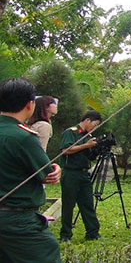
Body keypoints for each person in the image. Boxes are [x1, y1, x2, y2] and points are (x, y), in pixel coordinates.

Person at [0, 78, 62, 263]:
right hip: (17, 220)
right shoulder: (23, 136)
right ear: (30, 104)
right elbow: (46, 175)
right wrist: (56, 168)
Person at [59, 110, 102, 243]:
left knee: (87, 203)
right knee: (68, 205)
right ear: (87, 120)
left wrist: (96, 149)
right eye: (94, 125)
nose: (94, 128)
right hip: (71, 172)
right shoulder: (71, 132)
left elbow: (88, 154)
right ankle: (65, 235)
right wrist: (86, 145)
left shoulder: (87, 135)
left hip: (84, 173)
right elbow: (65, 150)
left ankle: (93, 232)